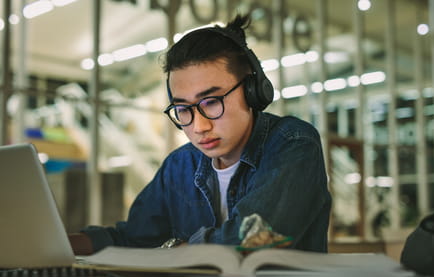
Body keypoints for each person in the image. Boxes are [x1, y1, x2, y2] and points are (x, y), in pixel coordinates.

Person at [68, 14, 331, 255]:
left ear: (253, 90)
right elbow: (134, 237)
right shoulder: (179, 165)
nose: (199, 126)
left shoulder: (294, 143)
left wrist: (179, 250)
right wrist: (61, 244)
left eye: (212, 101)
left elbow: (256, 238)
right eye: (183, 109)